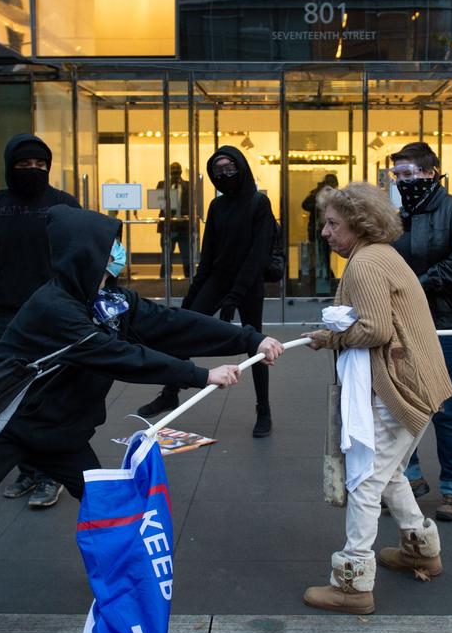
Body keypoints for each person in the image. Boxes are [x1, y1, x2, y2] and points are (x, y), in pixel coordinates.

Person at [0, 205, 285, 633]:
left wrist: (249, 337)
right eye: (111, 247)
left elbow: (172, 322)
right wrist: (200, 375)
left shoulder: (111, 301)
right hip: (2, 430)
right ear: (84, 253)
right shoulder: (54, 306)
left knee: (112, 513)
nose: (118, 254)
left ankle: (127, 607)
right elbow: (119, 356)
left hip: (61, 436)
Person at [300, 183, 452, 615]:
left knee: (366, 479)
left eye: (333, 224)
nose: (325, 232)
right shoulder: (384, 254)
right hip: (418, 382)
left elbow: (374, 330)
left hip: (398, 386)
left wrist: (330, 337)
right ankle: (421, 550)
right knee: (388, 473)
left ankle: (353, 584)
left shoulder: (365, 263)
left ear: (358, 225)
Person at [0, 133, 79, 508]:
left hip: (56, 315)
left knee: (50, 396)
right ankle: (28, 469)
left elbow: (85, 254)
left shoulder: (63, 204)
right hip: (10, 317)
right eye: (25, 165)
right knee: (11, 394)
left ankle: (48, 475)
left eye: (40, 165)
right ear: (11, 167)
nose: (33, 170)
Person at [136, 146, 276, 438]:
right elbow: (209, 255)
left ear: (241, 167)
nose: (224, 175)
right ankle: (170, 392)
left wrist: (235, 295)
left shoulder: (258, 203)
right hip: (217, 279)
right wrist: (191, 297)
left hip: (248, 285)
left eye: (230, 168)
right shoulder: (217, 206)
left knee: (256, 346)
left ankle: (263, 409)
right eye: (218, 170)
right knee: (184, 331)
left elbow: (258, 255)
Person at [389, 142, 452, 522]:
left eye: (409, 173)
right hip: (405, 325)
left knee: (447, 409)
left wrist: (422, 282)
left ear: (431, 172)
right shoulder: (399, 216)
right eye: (397, 175)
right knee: (402, 405)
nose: (403, 181)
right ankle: (410, 478)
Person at [302, 173, 339, 294]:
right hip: (318, 228)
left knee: (323, 254)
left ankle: (325, 276)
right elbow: (305, 205)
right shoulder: (317, 193)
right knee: (321, 254)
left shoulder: (331, 193)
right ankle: (325, 276)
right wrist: (318, 205)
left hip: (323, 228)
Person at [156, 162, 191, 278]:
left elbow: (193, 204)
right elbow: (158, 203)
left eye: (177, 169)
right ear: (169, 171)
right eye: (173, 169)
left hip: (184, 227)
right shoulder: (162, 184)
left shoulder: (188, 185)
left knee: (187, 257)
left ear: (181, 170)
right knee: (166, 256)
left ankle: (189, 282)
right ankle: (163, 283)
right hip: (168, 227)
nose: (175, 171)